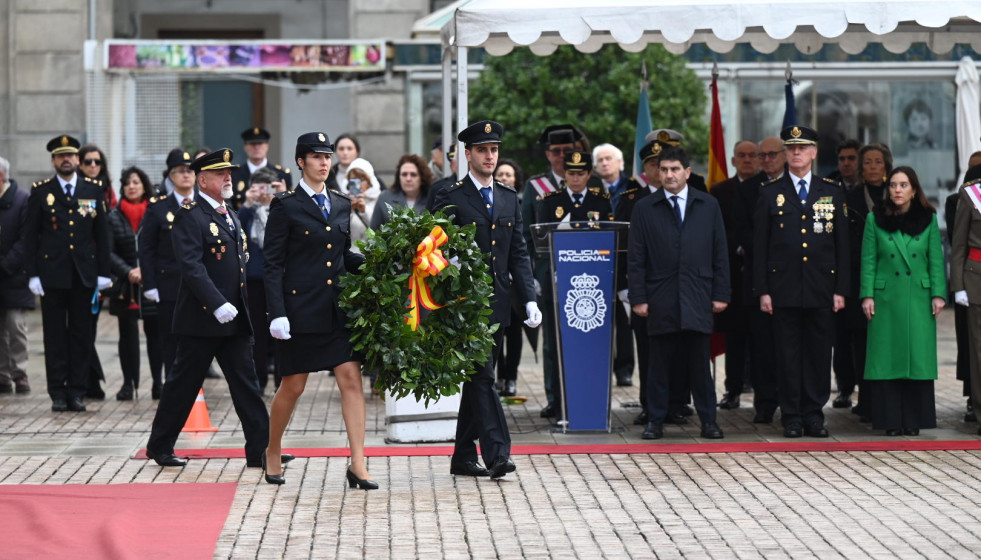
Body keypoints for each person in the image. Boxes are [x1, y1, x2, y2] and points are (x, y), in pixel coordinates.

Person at [144, 148, 272, 468]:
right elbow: (191, 266)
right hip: (202, 319)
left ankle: (261, 450)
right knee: (182, 386)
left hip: (234, 318)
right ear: (203, 179)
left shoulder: (227, 211)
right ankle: (160, 446)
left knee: (247, 386)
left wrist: (233, 306)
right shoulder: (191, 214)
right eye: (220, 173)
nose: (228, 177)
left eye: (229, 172)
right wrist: (216, 304)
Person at [262, 133, 373, 488]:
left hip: (337, 309)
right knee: (293, 386)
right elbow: (273, 264)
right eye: (316, 157)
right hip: (299, 310)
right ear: (300, 162)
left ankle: (358, 463)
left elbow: (343, 255)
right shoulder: (286, 205)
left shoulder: (341, 203)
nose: (324, 162)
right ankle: (273, 449)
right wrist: (276, 312)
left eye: (327, 156)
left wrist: (378, 267)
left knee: (351, 379)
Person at [433, 120, 540, 479]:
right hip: (464, 305)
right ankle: (498, 454)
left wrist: (529, 299)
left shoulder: (510, 197)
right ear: (468, 154)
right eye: (482, 150)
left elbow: (518, 254)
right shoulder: (450, 195)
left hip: (498, 305)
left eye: (494, 149)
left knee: (477, 380)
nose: (490, 156)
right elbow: (433, 246)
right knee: (483, 377)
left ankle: (463, 456)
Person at [753, 125, 848, 438]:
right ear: (785, 153)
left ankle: (814, 415)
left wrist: (841, 289)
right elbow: (760, 246)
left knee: (819, 355)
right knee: (787, 355)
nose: (796, 153)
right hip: (784, 289)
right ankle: (791, 415)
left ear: (814, 152)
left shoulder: (832, 191)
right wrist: (763, 290)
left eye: (803, 148)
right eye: (791, 148)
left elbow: (842, 246)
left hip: (822, 287)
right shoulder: (770, 192)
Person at [629, 146, 730, 440]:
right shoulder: (645, 208)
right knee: (658, 366)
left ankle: (709, 421)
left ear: (687, 172)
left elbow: (719, 253)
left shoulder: (708, 205)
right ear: (658, 173)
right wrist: (639, 298)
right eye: (664, 170)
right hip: (660, 298)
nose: (669, 175)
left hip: (698, 296)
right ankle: (655, 421)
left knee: (700, 366)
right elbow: (636, 258)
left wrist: (721, 293)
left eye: (675, 169)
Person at [24, 135, 112, 412]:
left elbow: (103, 235)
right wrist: (33, 274)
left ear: (77, 159)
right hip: (52, 274)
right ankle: (57, 393)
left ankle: (77, 391)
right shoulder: (41, 191)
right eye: (60, 156)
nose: (66, 160)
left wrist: (104, 272)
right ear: (53, 161)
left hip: (84, 274)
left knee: (81, 335)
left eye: (71, 155)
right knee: (55, 336)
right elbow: (31, 237)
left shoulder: (93, 189)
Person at [860, 166, 945, 436]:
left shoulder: (929, 219)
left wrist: (938, 294)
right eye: (893, 185)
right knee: (887, 358)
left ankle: (914, 419)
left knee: (916, 358)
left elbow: (936, 260)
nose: (897, 190)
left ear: (914, 190)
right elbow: (869, 260)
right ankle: (890, 420)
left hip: (919, 297)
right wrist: (867, 295)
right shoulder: (875, 219)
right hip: (886, 298)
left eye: (903, 185)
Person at [538, 150, 614, 419]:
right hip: (559, 284)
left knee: (590, 344)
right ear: (564, 175)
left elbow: (611, 239)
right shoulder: (550, 202)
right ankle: (558, 402)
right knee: (556, 344)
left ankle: (591, 401)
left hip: (594, 285)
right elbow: (540, 239)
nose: (576, 178)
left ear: (589, 175)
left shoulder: (601, 202)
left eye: (581, 173)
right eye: (571, 173)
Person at [523, 124, 580, 419]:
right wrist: (530, 275)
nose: (562, 156)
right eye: (556, 152)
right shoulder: (535, 187)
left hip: (584, 272)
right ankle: (554, 397)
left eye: (567, 151)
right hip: (546, 272)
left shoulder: (588, 183)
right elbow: (525, 233)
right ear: (548, 154)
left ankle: (580, 393)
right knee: (552, 342)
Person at [732, 136, 786, 424]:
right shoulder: (749, 189)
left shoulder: (798, 186)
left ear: (785, 155)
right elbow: (742, 231)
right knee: (762, 347)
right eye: (762, 155)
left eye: (771, 154)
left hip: (792, 280)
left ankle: (792, 402)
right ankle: (765, 403)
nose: (766, 160)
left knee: (790, 346)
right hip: (760, 278)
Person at [839, 142, 894, 418]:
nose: (873, 167)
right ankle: (866, 398)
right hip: (859, 278)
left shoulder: (897, 193)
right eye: (868, 162)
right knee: (861, 341)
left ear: (887, 166)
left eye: (878, 162)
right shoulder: (851, 197)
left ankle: (888, 398)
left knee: (887, 340)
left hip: (892, 281)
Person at [140, 149, 197, 398]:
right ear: (171, 176)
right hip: (169, 284)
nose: (186, 175)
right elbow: (147, 248)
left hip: (199, 285)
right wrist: (150, 284)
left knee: (196, 338)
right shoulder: (159, 208)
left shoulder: (205, 204)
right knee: (170, 339)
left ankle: (193, 385)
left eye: (190, 170)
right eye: (180, 171)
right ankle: (172, 387)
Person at [615, 139, 663, 426]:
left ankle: (677, 402)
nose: (659, 170)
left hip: (674, 286)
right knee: (645, 348)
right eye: (653, 164)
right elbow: (621, 245)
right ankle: (649, 403)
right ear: (644, 168)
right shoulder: (631, 198)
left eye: (663, 163)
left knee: (675, 346)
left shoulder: (684, 193)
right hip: (642, 287)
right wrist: (624, 286)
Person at [710, 140, 760, 410]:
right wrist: (739, 246)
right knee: (735, 335)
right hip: (731, 274)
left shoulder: (769, 188)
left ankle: (761, 388)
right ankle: (733, 389)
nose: (748, 160)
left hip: (761, 275)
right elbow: (716, 231)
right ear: (733, 161)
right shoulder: (720, 191)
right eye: (742, 155)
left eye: (753, 155)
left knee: (761, 335)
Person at [106, 166, 161, 401]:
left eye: (136, 182)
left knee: (156, 335)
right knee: (126, 338)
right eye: (128, 182)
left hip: (151, 285)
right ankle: (129, 383)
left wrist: (146, 271)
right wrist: (128, 271)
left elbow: (163, 247)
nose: (132, 186)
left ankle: (159, 383)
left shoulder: (156, 212)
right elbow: (108, 252)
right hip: (125, 286)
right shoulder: (114, 216)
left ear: (144, 185)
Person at [238, 168, 287, 393]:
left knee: (281, 331)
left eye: (268, 187)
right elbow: (236, 230)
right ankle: (258, 380)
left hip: (279, 279)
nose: (264, 193)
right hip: (255, 279)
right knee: (257, 332)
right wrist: (248, 203)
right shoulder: (249, 212)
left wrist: (283, 197)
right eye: (259, 187)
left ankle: (282, 379)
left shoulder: (281, 209)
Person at [592, 143, 635, 387]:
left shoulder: (633, 188)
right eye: (601, 160)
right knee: (599, 318)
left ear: (620, 163)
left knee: (624, 320)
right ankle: (600, 366)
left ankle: (625, 369)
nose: (605, 163)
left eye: (609, 159)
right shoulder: (591, 189)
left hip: (626, 262)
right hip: (598, 262)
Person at [77, 143, 113, 399]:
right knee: (79, 329)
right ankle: (88, 379)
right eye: (88, 161)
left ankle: (90, 377)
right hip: (79, 268)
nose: (92, 166)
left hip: (98, 271)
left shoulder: (108, 193)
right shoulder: (76, 192)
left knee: (89, 328)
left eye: (96, 162)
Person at [947, 154, 981, 423]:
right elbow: (958, 245)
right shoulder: (971, 193)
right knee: (979, 350)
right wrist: (958, 286)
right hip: (976, 279)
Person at [0, 156, 33, 395]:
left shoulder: (22, 199)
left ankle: (20, 373)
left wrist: (6, 264)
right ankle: (2, 375)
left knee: (15, 326)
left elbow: (27, 239)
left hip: (14, 276)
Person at [494, 157, 526, 397]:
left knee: (514, 333)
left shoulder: (519, 201)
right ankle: (497, 375)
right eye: (500, 174)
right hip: (496, 280)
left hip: (515, 282)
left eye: (508, 174)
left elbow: (522, 246)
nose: (504, 178)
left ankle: (511, 377)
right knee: (496, 335)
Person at [230, 127, 292, 209]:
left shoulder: (282, 174)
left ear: (267, 146)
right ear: (245, 147)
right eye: (252, 144)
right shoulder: (234, 174)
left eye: (260, 143)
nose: (256, 147)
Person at [370, 154, 431, 229]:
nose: (408, 179)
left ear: (422, 178)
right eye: (404, 174)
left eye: (413, 174)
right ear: (399, 177)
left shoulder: (431, 198)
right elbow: (374, 232)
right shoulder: (385, 198)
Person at [339, 158, 381, 251]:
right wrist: (350, 211)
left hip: (373, 256)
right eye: (353, 180)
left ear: (370, 181)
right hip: (351, 256)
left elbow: (380, 229)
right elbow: (339, 232)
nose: (358, 184)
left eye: (361, 179)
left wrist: (365, 211)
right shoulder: (341, 201)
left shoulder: (380, 199)